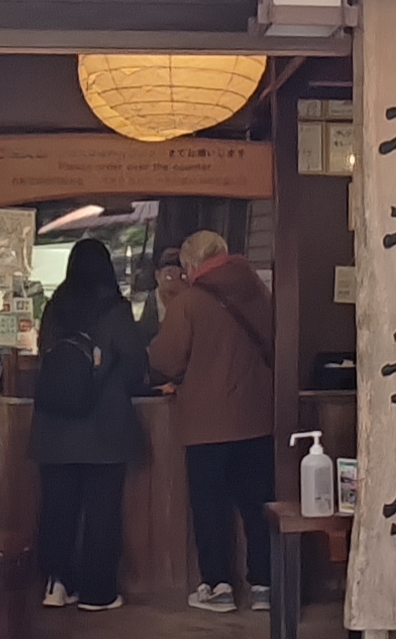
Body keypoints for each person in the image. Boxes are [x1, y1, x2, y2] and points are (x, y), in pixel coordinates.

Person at [151, 229, 276, 614]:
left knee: (209, 506)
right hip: (258, 418)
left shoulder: (187, 303)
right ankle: (264, 586)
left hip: (205, 423)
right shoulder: (261, 295)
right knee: (258, 505)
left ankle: (218, 586)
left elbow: (165, 360)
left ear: (191, 264)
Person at [31, 241, 151, 612]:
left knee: (57, 508)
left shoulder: (54, 309)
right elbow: (134, 368)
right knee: (102, 511)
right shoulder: (116, 311)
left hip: (54, 427)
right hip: (105, 428)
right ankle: (98, 592)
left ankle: (56, 584)